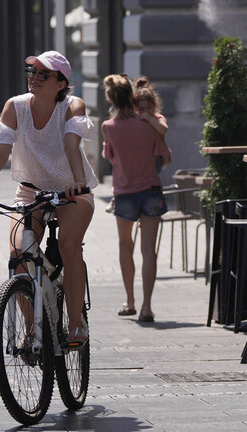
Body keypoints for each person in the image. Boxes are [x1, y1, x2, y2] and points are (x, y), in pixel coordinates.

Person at [0, 50, 97, 345]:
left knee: (69, 245)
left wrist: (77, 182)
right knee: (18, 256)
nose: (34, 78)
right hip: (30, 190)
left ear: (60, 83)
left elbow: (72, 144)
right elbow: (0, 151)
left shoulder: (73, 106)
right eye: (32, 72)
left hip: (72, 191)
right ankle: (31, 330)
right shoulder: (15, 107)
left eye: (43, 74)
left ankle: (76, 326)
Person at [102, 74, 168, 323]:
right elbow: (162, 149)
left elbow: (111, 158)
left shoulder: (108, 127)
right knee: (149, 251)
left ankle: (129, 301)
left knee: (124, 246)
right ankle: (147, 307)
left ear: (110, 98)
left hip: (124, 192)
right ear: (132, 96)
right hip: (151, 189)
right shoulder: (149, 122)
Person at [133, 76, 171, 170]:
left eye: (149, 108)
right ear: (136, 108)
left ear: (155, 105)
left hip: (156, 156)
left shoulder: (157, 118)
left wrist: (150, 119)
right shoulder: (137, 120)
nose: (145, 112)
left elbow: (163, 129)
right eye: (141, 109)